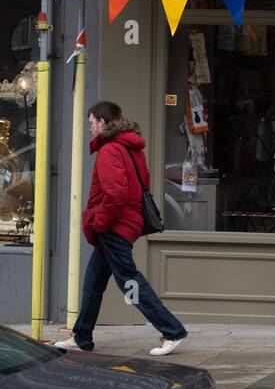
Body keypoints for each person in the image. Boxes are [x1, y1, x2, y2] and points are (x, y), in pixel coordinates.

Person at [54, 101, 188, 356]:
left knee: (129, 281)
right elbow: (142, 182)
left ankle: (172, 330)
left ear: (102, 122)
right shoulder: (130, 147)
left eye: (91, 122)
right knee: (93, 281)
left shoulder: (110, 151)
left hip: (115, 226)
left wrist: (99, 223)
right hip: (123, 223)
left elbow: (116, 193)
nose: (90, 127)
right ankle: (81, 336)